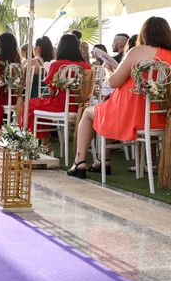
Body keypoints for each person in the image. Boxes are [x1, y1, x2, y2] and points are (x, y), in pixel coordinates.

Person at [68, 17, 171, 178]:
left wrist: (109, 70)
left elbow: (114, 82)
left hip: (131, 115)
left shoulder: (138, 51)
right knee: (107, 106)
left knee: (90, 113)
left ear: (144, 34)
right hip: (161, 116)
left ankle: (79, 162)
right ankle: (103, 161)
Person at [20, 34, 91, 146]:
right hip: (82, 106)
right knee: (39, 106)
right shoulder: (86, 66)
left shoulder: (58, 65)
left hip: (61, 105)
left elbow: (51, 93)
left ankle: (35, 142)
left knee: (30, 104)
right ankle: (44, 143)